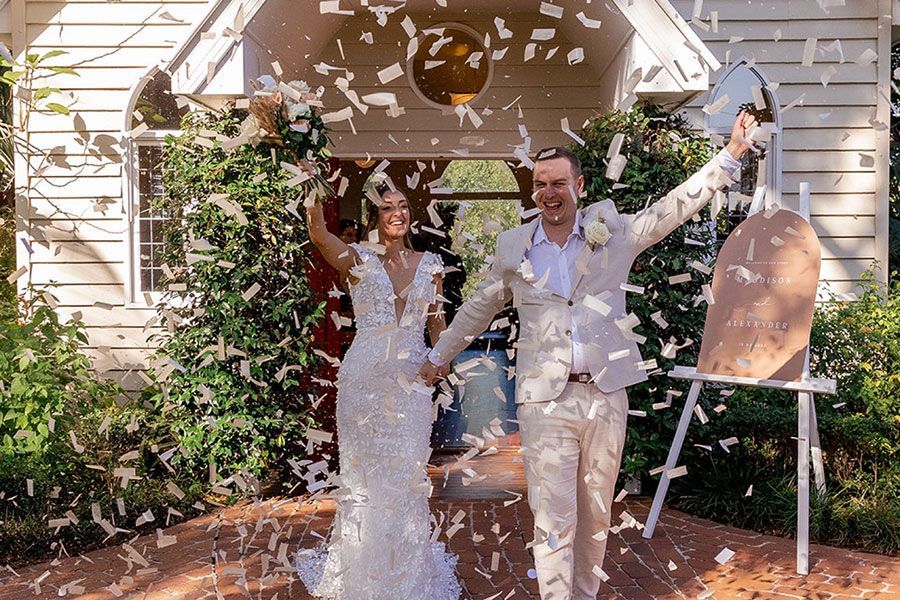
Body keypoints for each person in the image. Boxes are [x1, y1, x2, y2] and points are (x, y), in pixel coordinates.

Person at [419, 112, 756, 600]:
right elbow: (477, 307)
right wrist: (439, 354)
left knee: (596, 513)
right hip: (545, 401)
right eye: (539, 184)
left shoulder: (612, 232)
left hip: (605, 393)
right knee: (553, 517)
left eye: (558, 183)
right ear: (532, 191)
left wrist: (730, 157)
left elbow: (668, 211)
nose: (548, 192)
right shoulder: (514, 247)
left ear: (578, 184)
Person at [296, 187, 460, 600]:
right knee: (363, 482)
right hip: (364, 385)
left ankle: (405, 577)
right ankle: (360, 576)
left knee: (407, 477)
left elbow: (438, 324)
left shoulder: (432, 265)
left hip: (411, 385)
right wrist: (311, 191)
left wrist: (441, 361)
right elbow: (319, 236)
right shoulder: (358, 259)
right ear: (376, 217)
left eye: (403, 206)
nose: (397, 213)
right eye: (387, 208)